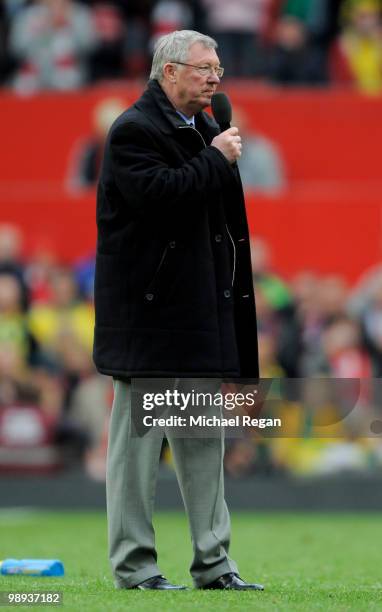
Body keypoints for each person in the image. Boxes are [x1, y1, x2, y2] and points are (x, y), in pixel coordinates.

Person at [93, 29, 262, 591]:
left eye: (218, 68)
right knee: (137, 453)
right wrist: (215, 161)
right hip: (148, 317)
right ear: (167, 72)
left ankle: (215, 566)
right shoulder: (133, 131)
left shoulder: (205, 128)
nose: (215, 77)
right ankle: (135, 568)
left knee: (201, 444)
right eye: (203, 68)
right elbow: (161, 202)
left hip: (197, 313)